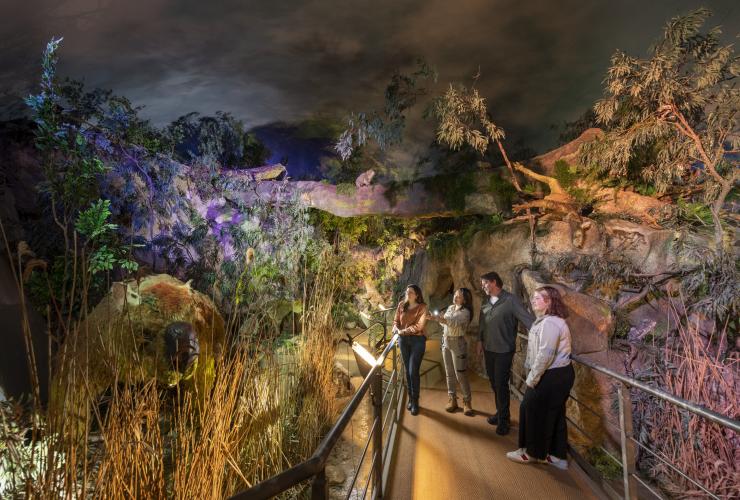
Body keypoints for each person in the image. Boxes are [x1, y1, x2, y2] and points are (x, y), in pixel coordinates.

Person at [506, 286, 574, 470]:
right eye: (533, 297)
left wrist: (532, 379)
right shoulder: (546, 321)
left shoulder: (550, 323)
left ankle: (532, 453)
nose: (533, 300)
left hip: (552, 374)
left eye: (537, 298)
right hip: (557, 374)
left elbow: (545, 354)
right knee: (555, 413)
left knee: (529, 407)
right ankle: (555, 454)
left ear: (549, 301)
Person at [477, 271, 534, 435]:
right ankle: (500, 412)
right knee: (494, 383)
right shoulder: (485, 302)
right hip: (489, 349)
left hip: (504, 350)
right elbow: (482, 323)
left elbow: (528, 320)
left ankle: (504, 420)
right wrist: (479, 341)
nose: (483, 287)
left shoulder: (510, 300)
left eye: (484, 283)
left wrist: (544, 336)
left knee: (501, 385)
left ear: (494, 282)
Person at [428, 288, 474, 416]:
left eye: (458, 296)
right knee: (449, 373)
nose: (455, 297)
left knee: (461, 374)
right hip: (446, 342)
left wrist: (439, 319)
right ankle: (452, 399)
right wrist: (436, 319)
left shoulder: (466, 312)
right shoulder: (450, 308)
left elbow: (453, 323)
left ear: (465, 300)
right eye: (455, 295)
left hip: (457, 343)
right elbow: (445, 325)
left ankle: (467, 401)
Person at [393, 284, 428, 416]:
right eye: (407, 292)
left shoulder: (422, 307)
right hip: (403, 341)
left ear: (417, 295)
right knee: (408, 370)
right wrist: (396, 329)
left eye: (411, 292)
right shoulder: (402, 305)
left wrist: (403, 331)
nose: (408, 294)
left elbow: (419, 326)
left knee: (413, 370)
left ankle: (415, 401)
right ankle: (410, 398)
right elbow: (396, 320)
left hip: (417, 341)